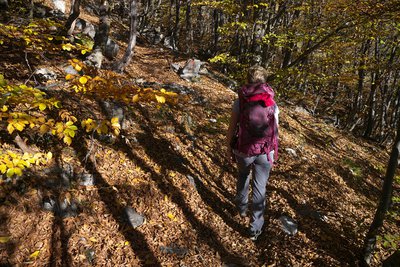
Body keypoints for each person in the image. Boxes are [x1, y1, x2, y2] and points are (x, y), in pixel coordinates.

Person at [226, 65, 279, 241]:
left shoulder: (241, 100)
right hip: (264, 151)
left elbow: (232, 126)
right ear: (265, 80)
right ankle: (255, 229)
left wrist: (228, 147)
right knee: (260, 187)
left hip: (244, 149)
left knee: (242, 175)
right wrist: (274, 151)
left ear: (248, 79)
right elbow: (275, 130)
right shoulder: (271, 101)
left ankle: (241, 208)